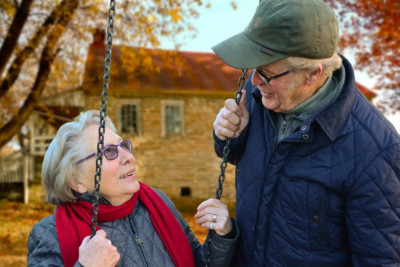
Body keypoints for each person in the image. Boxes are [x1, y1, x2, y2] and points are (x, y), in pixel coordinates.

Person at [212, 0, 400, 266]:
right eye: (254, 69)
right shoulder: (260, 97)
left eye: (266, 74)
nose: (254, 81)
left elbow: (381, 259)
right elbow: (242, 158)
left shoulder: (376, 151)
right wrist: (228, 136)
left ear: (313, 74)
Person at [28, 110, 239, 267]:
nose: (128, 157)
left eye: (124, 146)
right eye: (109, 152)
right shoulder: (49, 234)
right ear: (76, 181)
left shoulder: (157, 202)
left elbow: (199, 263)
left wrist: (222, 234)